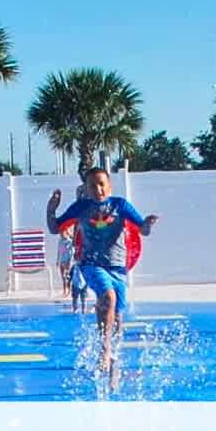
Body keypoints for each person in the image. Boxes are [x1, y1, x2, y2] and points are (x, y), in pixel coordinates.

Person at [46, 167, 158, 390]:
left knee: (117, 320)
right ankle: (104, 350)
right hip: (91, 263)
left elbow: (142, 230)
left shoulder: (120, 205)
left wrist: (148, 223)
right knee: (108, 296)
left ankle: (112, 364)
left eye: (101, 184)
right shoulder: (81, 207)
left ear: (110, 186)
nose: (98, 189)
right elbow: (55, 228)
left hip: (118, 267)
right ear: (86, 189)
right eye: (92, 185)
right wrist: (51, 209)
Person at [57, 226, 75, 297]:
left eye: (62, 233)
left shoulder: (69, 242)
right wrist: (57, 260)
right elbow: (59, 251)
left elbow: (72, 253)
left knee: (67, 277)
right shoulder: (60, 241)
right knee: (63, 277)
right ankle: (64, 290)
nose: (61, 234)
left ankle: (69, 291)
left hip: (68, 261)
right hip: (62, 260)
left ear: (66, 232)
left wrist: (69, 262)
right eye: (60, 233)